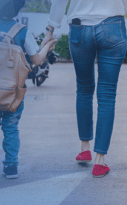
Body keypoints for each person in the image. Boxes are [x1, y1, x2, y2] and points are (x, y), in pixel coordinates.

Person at [41, 0, 127, 178]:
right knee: (107, 95)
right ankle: (100, 161)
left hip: (79, 28)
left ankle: (84, 148)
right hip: (112, 27)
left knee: (83, 89)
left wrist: (50, 30)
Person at [0, 0, 57, 179]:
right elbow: (37, 60)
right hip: (12, 92)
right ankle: (11, 167)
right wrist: (47, 46)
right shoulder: (21, 30)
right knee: (10, 128)